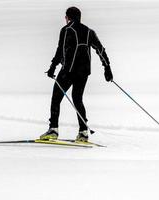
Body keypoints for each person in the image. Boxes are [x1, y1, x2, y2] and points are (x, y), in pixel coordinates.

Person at [40, 6, 113, 142]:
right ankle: (83, 132)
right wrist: (107, 68)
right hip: (84, 72)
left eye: (66, 17)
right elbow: (100, 50)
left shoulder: (66, 30)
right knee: (77, 99)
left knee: (56, 98)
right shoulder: (89, 31)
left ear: (68, 17)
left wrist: (52, 67)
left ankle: (53, 130)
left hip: (68, 71)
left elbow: (60, 51)